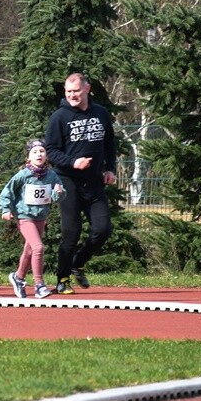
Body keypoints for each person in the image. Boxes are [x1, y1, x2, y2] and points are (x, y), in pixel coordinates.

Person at [44, 72, 117, 294]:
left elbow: (109, 143)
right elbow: (51, 151)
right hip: (68, 182)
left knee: (103, 229)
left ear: (87, 89)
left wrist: (110, 168)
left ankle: (78, 262)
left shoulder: (100, 113)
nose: (72, 95)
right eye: (68, 91)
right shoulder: (59, 117)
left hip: (94, 182)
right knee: (71, 232)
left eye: (76, 91)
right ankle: (62, 279)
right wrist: (73, 162)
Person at [0, 139, 65, 299]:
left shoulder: (51, 175)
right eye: (34, 152)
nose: (39, 154)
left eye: (42, 151)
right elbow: (7, 191)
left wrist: (59, 192)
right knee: (38, 247)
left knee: (29, 250)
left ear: (46, 155)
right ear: (28, 157)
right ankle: (39, 285)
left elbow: (59, 195)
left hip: (40, 216)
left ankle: (18, 277)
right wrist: (6, 209)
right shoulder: (23, 175)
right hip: (24, 216)